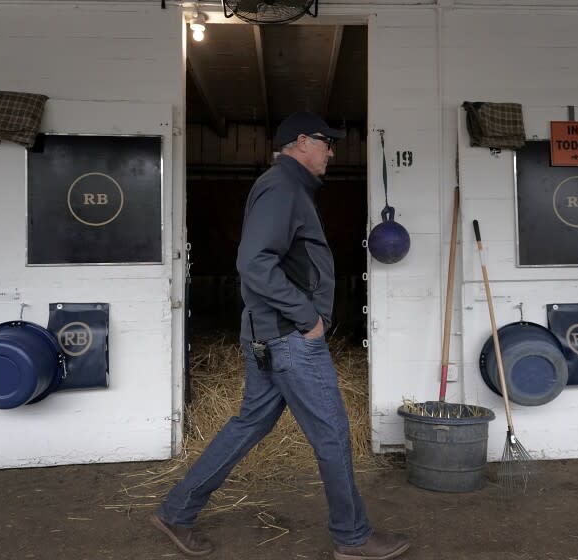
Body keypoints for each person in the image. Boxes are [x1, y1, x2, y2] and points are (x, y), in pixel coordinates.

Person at [150, 111, 411, 560]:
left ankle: (177, 510)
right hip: (290, 339)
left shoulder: (286, 188)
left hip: (270, 336)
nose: (332, 151)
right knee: (331, 430)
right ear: (302, 142)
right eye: (326, 142)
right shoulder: (282, 186)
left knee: (250, 423)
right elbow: (254, 263)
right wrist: (306, 317)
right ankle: (352, 537)